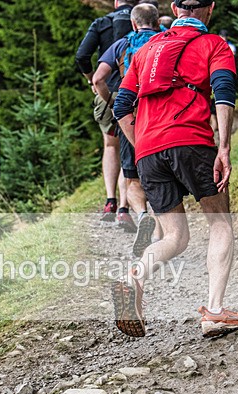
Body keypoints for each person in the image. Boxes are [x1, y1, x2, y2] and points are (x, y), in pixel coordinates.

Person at [112, 0, 238, 338]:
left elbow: (121, 106)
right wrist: (224, 147)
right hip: (192, 140)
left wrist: (143, 147)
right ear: (210, 8)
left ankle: (132, 278)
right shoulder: (215, 45)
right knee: (219, 220)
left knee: (175, 236)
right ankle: (215, 312)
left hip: (148, 148)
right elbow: (223, 93)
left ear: (175, 9)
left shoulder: (147, 48)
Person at [94, 3, 162, 250]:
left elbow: (98, 78)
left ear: (133, 23)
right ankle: (160, 232)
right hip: (162, 116)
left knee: (132, 176)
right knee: (161, 174)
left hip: (130, 117)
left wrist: (112, 102)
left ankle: (142, 215)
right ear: (156, 21)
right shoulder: (166, 39)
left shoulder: (122, 44)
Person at [75, 0, 138, 226]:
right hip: (134, 94)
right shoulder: (141, 20)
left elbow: (82, 56)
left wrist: (92, 80)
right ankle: (125, 206)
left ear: (115, 2)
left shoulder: (102, 23)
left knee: (111, 145)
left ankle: (110, 200)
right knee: (131, 147)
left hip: (106, 93)